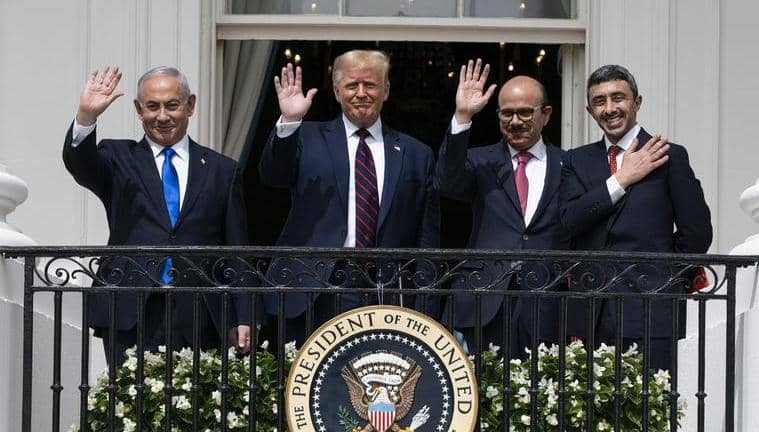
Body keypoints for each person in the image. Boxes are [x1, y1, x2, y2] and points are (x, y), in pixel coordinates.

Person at [63, 66, 256, 364]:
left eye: (172, 105)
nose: (162, 116)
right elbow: (81, 163)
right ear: (139, 110)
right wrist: (86, 117)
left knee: (196, 395)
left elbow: (237, 250)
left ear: (190, 105)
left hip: (201, 311)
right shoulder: (118, 157)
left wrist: (244, 314)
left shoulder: (222, 170)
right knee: (128, 394)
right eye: (152, 106)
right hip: (131, 307)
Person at [259, 50, 440, 344]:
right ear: (336, 91)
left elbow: (426, 238)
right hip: (314, 290)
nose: (361, 93)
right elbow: (273, 177)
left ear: (386, 91)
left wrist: (426, 307)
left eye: (370, 85)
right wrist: (290, 121)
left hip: (387, 293)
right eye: (352, 85)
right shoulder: (306, 137)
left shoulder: (416, 154)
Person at [559, 64, 712, 370]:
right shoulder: (576, 160)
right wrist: (621, 179)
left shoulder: (668, 155)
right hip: (591, 313)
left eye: (618, 97)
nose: (609, 108)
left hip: (651, 309)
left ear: (637, 102)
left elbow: (697, 234)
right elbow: (569, 221)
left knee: (653, 398)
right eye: (599, 101)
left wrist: (664, 279)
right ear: (590, 111)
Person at [435, 59, 570, 357]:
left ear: (546, 114)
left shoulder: (568, 165)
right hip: (484, 298)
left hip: (546, 300)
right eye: (507, 113)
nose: (515, 121)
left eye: (525, 112)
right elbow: (446, 182)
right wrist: (463, 116)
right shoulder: (480, 160)